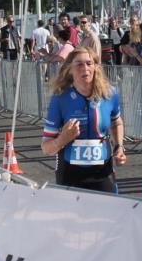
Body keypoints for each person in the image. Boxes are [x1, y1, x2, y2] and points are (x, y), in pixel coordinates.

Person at [41, 47, 126, 193]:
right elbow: (46, 148)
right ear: (70, 69)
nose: (85, 68)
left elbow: (116, 122)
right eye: (79, 64)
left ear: (96, 67)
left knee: (109, 212)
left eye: (89, 63)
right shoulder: (60, 98)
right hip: (70, 170)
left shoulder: (110, 93)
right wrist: (62, 139)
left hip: (103, 170)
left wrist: (119, 147)